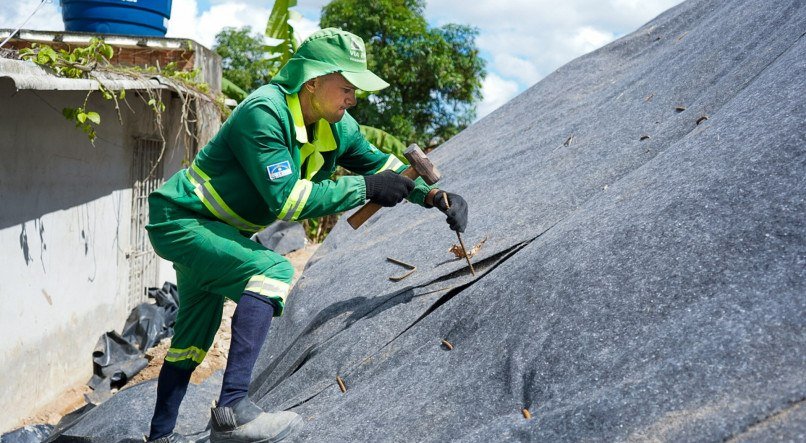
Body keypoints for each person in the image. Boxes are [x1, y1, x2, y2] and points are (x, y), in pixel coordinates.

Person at [144, 28, 468, 443]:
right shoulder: (263, 112)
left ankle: (159, 437)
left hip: (220, 231)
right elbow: (286, 202)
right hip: (182, 220)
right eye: (346, 87)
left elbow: (383, 164)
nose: (353, 98)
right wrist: (366, 189)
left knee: (191, 342)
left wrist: (434, 197)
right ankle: (233, 412)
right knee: (271, 270)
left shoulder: (337, 125)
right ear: (312, 82)